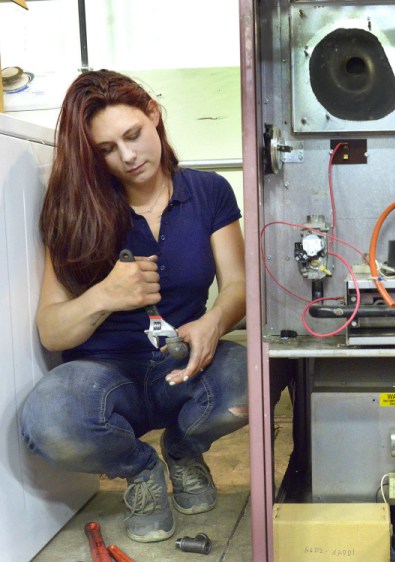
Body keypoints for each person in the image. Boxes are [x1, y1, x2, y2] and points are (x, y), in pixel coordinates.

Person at [20, 69, 249, 543]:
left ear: (154, 115)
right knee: (48, 420)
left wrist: (214, 321)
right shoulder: (74, 211)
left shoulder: (209, 192)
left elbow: (238, 287)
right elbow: (52, 331)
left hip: (185, 363)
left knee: (256, 379)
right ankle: (141, 470)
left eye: (133, 135)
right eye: (106, 149)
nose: (127, 156)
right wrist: (105, 295)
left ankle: (183, 451)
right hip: (103, 374)